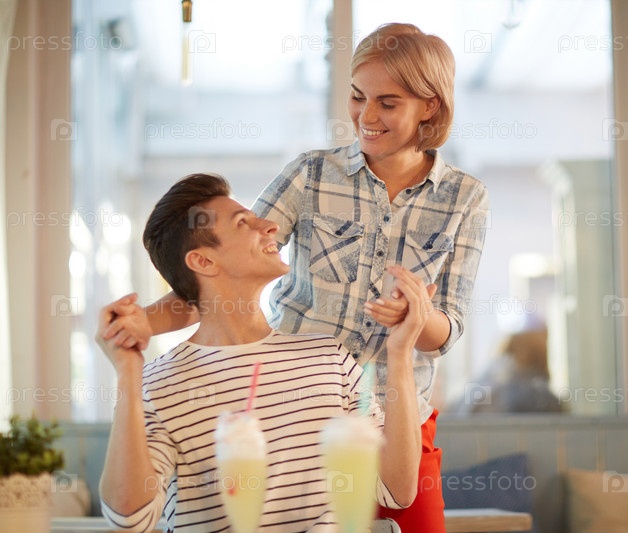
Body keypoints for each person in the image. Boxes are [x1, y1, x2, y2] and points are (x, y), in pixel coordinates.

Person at [104, 22, 489, 532]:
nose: (366, 116)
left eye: (388, 103)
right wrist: (139, 330)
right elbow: (225, 266)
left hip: (398, 411)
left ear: (430, 107)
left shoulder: (465, 198)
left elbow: (449, 326)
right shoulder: (312, 174)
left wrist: (413, 320)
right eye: (357, 96)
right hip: (292, 403)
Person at [96, 173, 429, 532]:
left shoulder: (328, 358)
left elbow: (396, 490)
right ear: (203, 262)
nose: (270, 226)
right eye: (244, 223)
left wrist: (400, 352)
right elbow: (128, 518)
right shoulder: (159, 384)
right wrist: (128, 376)